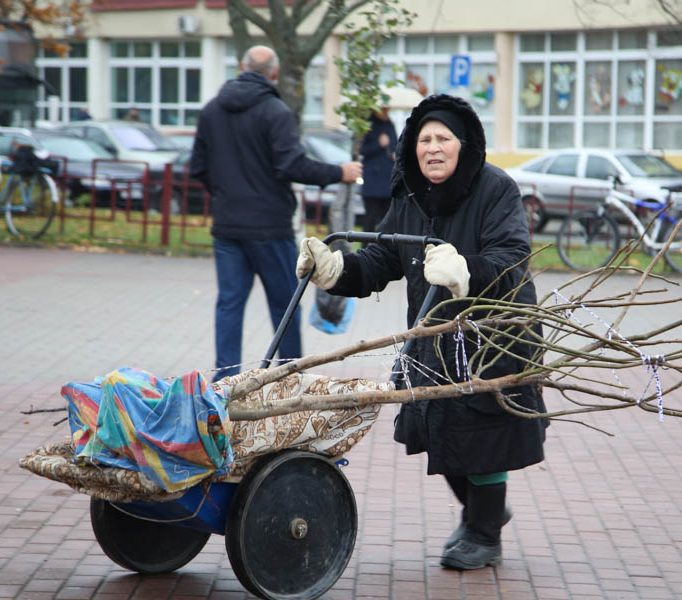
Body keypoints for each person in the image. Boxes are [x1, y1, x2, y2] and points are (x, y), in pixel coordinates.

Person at [295, 93, 548, 570]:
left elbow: (512, 259)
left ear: (464, 145)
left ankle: (484, 533)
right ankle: (484, 509)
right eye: (424, 139)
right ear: (412, 146)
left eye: (444, 139)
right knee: (438, 430)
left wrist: (466, 269)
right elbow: (381, 260)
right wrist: (334, 271)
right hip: (434, 335)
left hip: (494, 335)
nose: (432, 148)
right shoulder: (410, 195)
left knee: (483, 431)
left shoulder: (496, 189)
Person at [191, 45, 362, 381]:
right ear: (274, 72)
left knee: (229, 304)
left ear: (242, 66)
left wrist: (226, 194)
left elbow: (197, 167)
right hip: (270, 228)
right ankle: (288, 377)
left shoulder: (211, 111)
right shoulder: (276, 111)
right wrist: (338, 171)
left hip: (227, 227)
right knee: (284, 306)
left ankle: (224, 381)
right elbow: (293, 165)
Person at [359, 106, 397, 233]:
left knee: (388, 220)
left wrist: (395, 153)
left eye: (387, 110)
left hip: (387, 181)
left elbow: (395, 145)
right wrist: (378, 145)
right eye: (383, 110)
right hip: (372, 182)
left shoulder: (390, 125)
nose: (386, 113)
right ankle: (366, 247)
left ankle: (386, 247)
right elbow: (363, 150)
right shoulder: (367, 126)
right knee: (370, 219)